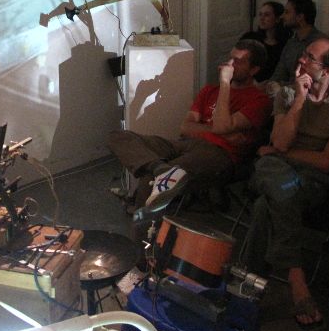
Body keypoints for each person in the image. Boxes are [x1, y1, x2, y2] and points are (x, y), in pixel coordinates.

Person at [242, 37, 329, 329]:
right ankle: (296, 278)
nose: (301, 60)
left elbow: (326, 162)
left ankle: (247, 285)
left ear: (327, 70)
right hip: (274, 169)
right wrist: (300, 100)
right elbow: (280, 140)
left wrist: (281, 153)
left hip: (309, 179)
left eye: (310, 57)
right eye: (303, 54)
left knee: (265, 206)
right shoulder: (286, 94)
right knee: (275, 178)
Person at [109, 39, 272, 220]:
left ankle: (141, 219)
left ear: (254, 70)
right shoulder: (209, 91)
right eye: (230, 58)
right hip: (186, 144)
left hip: (219, 154)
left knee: (156, 178)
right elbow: (186, 127)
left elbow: (220, 126)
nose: (230, 65)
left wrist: (225, 84)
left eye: (238, 62)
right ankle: (159, 168)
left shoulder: (259, 100)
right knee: (118, 137)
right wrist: (223, 132)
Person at [267, 0, 325, 88]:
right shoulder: (291, 43)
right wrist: (268, 85)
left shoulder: (320, 43)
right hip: (284, 92)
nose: (282, 16)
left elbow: (311, 82)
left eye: (287, 12)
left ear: (300, 17)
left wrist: (279, 86)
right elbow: (279, 74)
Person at [241, 0, 291, 82]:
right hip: (248, 82)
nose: (262, 18)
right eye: (260, 14)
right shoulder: (250, 38)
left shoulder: (286, 44)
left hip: (273, 84)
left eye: (267, 15)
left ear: (277, 19)